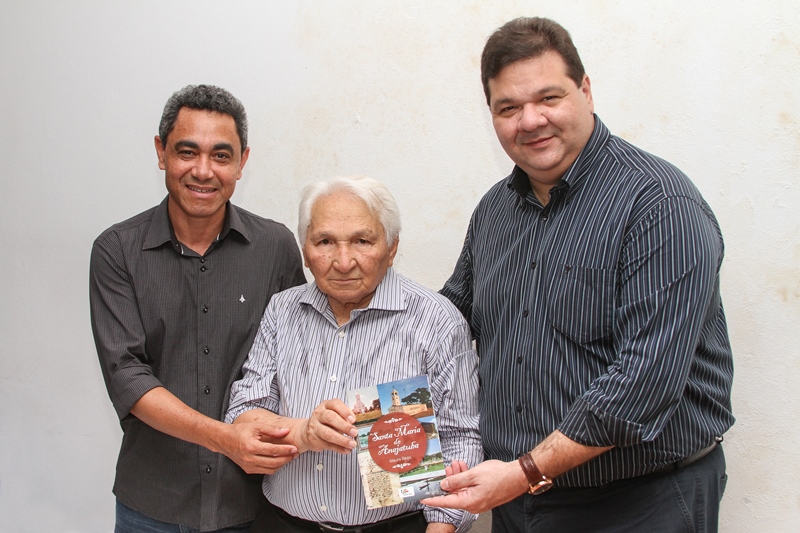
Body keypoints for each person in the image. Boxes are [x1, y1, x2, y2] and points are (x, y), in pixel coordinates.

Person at [423, 17, 735, 532]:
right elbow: (446, 325)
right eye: (508, 108)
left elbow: (644, 383)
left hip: (640, 504)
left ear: (585, 91)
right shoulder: (493, 211)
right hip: (518, 500)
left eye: (548, 97)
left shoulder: (658, 204)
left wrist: (524, 472)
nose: (530, 120)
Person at [90, 84, 307, 532]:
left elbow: (301, 356)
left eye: (221, 156)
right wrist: (225, 439)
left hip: (252, 505)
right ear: (161, 152)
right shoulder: (117, 251)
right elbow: (126, 374)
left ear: (242, 162)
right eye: (187, 152)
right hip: (152, 506)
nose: (203, 171)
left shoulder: (276, 247)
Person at [225, 176, 482, 533]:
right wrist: (303, 433)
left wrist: (443, 527)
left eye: (362, 241)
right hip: (283, 523)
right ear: (305, 251)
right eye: (325, 242)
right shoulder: (282, 310)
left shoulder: (436, 321)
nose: (343, 262)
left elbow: (462, 438)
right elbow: (243, 416)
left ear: (391, 247)